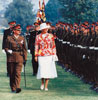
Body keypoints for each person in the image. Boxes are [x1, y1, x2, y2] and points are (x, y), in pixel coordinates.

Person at [35, 23, 57, 91]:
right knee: (42, 68)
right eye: (45, 28)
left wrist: (54, 54)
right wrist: (35, 55)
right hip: (41, 54)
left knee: (48, 69)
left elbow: (53, 45)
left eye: (47, 28)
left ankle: (46, 86)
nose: (47, 29)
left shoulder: (51, 36)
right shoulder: (38, 36)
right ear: (42, 29)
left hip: (49, 54)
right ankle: (42, 82)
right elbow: (36, 46)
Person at [4, 24, 27, 93]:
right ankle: (12, 87)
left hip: (19, 57)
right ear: (14, 31)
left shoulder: (22, 38)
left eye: (20, 30)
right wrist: (8, 51)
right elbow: (6, 47)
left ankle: (17, 87)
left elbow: (24, 49)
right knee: (12, 73)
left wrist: (25, 58)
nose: (19, 31)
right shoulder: (9, 38)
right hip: (11, 57)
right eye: (17, 30)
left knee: (18, 73)